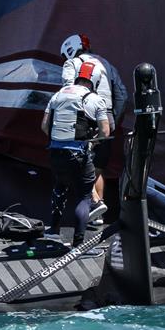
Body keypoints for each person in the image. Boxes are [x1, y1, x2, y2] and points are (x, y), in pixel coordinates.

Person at [41, 61, 109, 255]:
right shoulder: (94, 99)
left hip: (55, 153)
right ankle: (79, 245)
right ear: (94, 80)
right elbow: (105, 131)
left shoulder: (57, 94)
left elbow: (45, 126)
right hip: (78, 154)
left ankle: (53, 230)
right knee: (85, 196)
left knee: (60, 186)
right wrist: (92, 142)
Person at [60, 33, 128, 223]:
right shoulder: (107, 64)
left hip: (84, 118)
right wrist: (112, 118)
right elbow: (122, 95)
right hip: (106, 118)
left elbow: (68, 90)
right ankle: (97, 214)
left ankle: (94, 204)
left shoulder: (71, 64)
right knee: (97, 167)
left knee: (78, 163)